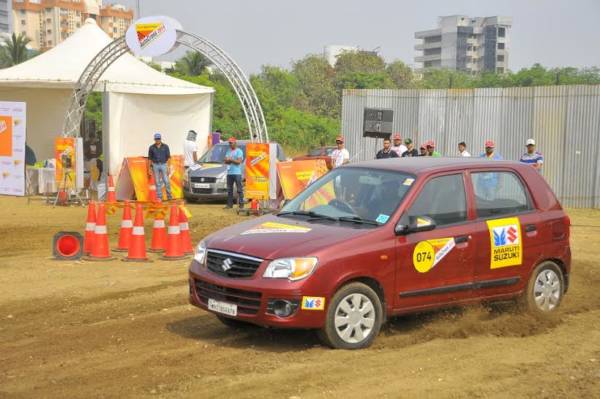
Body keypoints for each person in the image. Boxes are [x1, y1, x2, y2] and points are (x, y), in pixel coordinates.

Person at [148, 132, 172, 201]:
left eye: (158, 139)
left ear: (161, 139)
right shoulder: (151, 147)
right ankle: (159, 198)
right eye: (156, 139)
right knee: (157, 182)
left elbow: (169, 157)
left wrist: (169, 167)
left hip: (164, 165)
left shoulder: (166, 146)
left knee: (166, 181)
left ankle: (169, 196)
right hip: (155, 165)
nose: (157, 140)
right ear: (154, 139)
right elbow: (149, 159)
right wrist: (149, 168)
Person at [224, 137, 244, 209]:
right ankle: (230, 204)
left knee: (239, 189)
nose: (230, 144)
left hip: (237, 173)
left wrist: (230, 159)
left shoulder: (239, 151)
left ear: (235, 143)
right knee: (229, 190)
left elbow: (239, 162)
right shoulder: (228, 150)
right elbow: (225, 161)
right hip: (229, 173)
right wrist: (230, 160)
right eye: (229, 143)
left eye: (231, 143)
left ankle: (241, 204)